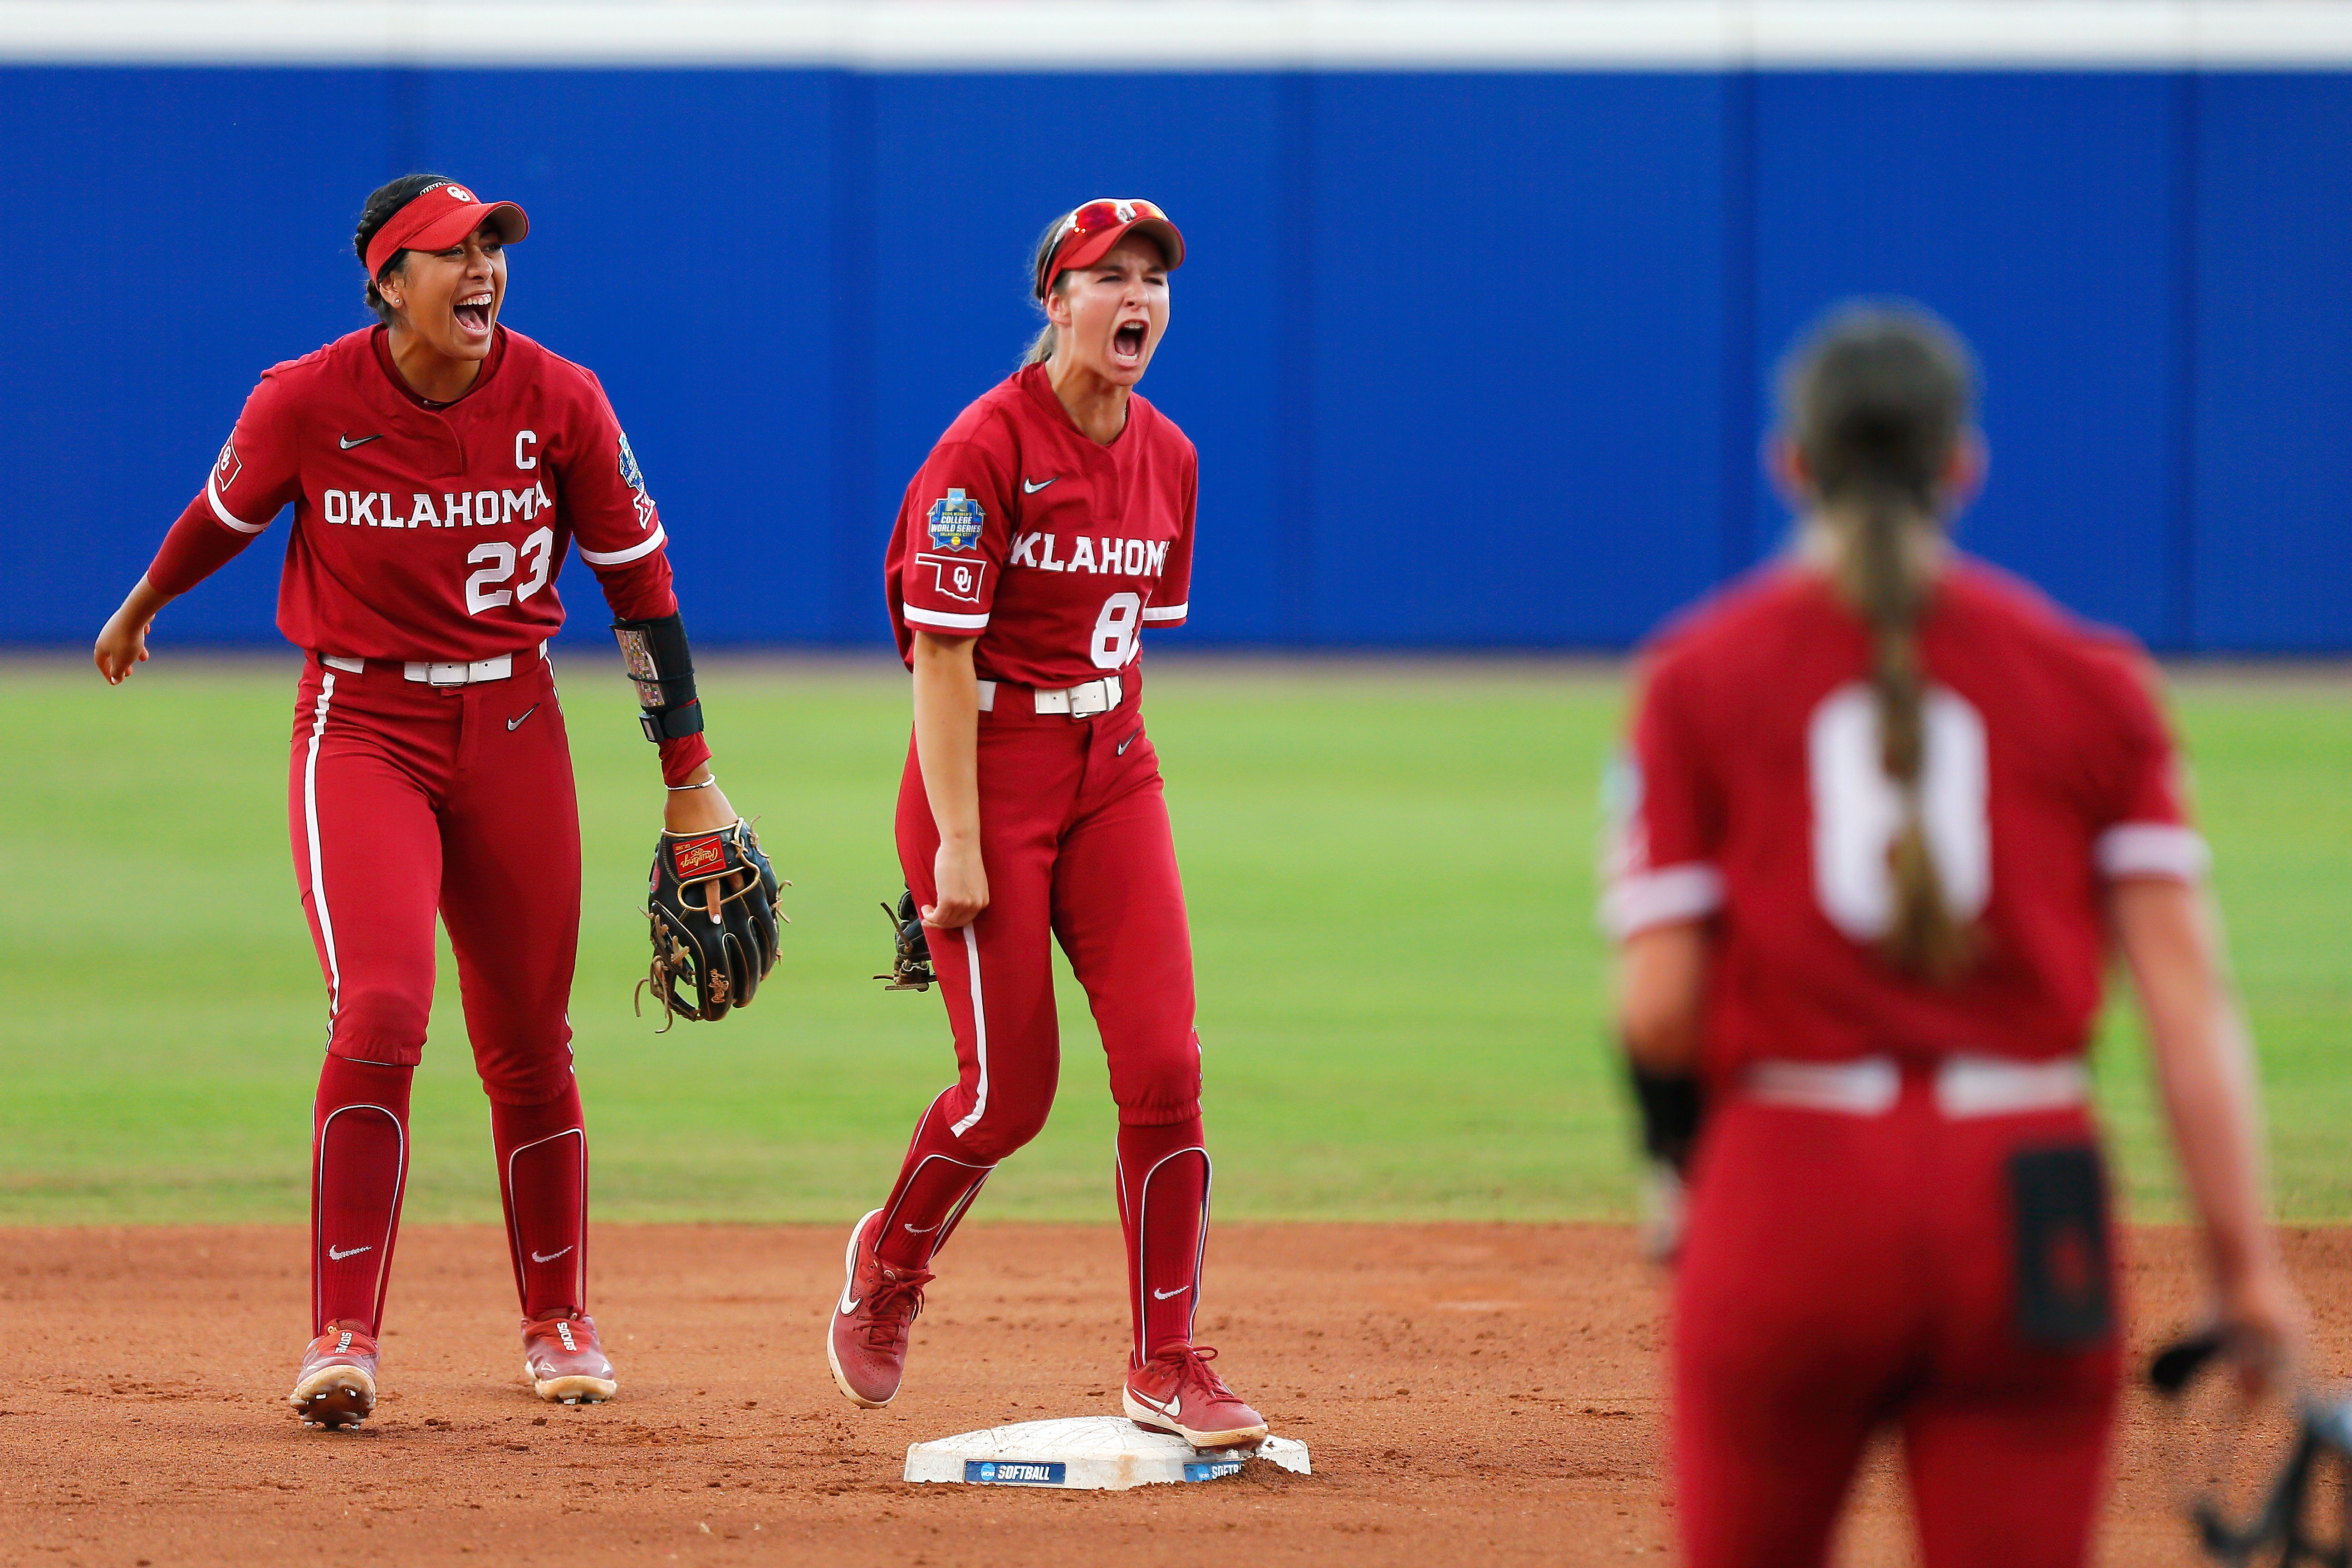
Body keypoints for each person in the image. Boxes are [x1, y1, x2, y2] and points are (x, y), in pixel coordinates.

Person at [1607, 305, 2305, 1567]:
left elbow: (1658, 1006)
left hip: (1791, 1186)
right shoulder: (2093, 677)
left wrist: (1677, 1173)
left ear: (1792, 464)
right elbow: (2188, 1009)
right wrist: (2247, 1272)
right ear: (1964, 467)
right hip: (2027, 1197)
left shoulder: (1698, 678)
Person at [92, 174, 750, 1428]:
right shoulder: (307, 398)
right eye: (452, 251)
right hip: (365, 729)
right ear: (390, 282)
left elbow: (640, 587)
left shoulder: (562, 399)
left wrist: (690, 778)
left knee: (528, 1044)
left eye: (494, 246)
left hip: (514, 723)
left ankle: (559, 1322)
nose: (484, 269)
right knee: (385, 1009)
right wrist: (142, 603)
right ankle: (343, 1333)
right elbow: (222, 515)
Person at [825, 198, 1264, 1450]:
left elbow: (1120, 650)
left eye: (1156, 281)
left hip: (1113, 769)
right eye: (1107, 278)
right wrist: (959, 844)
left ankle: (1167, 1360)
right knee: (1010, 1097)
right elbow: (943, 661)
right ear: (1054, 302)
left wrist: (1098, 773)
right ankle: (892, 1259)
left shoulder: (1169, 457)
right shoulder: (984, 448)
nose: (1138, 299)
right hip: (986, 773)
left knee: (1167, 1069)